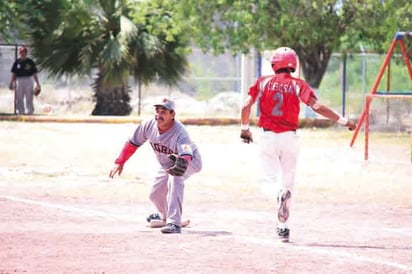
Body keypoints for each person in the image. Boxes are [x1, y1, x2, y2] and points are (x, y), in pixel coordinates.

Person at [240, 47, 356, 242]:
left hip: (268, 137)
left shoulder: (263, 82)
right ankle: (283, 226)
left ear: (274, 63)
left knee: (267, 180)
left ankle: (278, 198)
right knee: (288, 181)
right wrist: (344, 121)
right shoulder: (298, 84)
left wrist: (244, 128)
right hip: (290, 138)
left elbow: (245, 105)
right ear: (293, 64)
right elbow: (317, 107)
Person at [109, 98, 202, 234]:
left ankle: (174, 223)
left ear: (172, 114)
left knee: (176, 177)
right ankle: (165, 217)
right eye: (157, 111)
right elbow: (132, 143)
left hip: (191, 160)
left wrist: (183, 160)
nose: (159, 115)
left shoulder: (180, 132)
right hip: (167, 164)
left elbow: (186, 152)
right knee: (155, 194)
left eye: (163, 111)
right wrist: (120, 162)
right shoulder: (148, 126)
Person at [9, 45, 41, 115]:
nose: (22, 53)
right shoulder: (17, 62)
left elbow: (34, 73)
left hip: (28, 79)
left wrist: (37, 83)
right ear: (19, 53)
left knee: (29, 96)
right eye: (21, 52)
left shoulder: (30, 62)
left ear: (26, 53)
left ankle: (30, 111)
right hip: (19, 80)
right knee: (19, 97)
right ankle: (20, 112)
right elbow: (14, 73)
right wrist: (11, 83)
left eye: (24, 52)